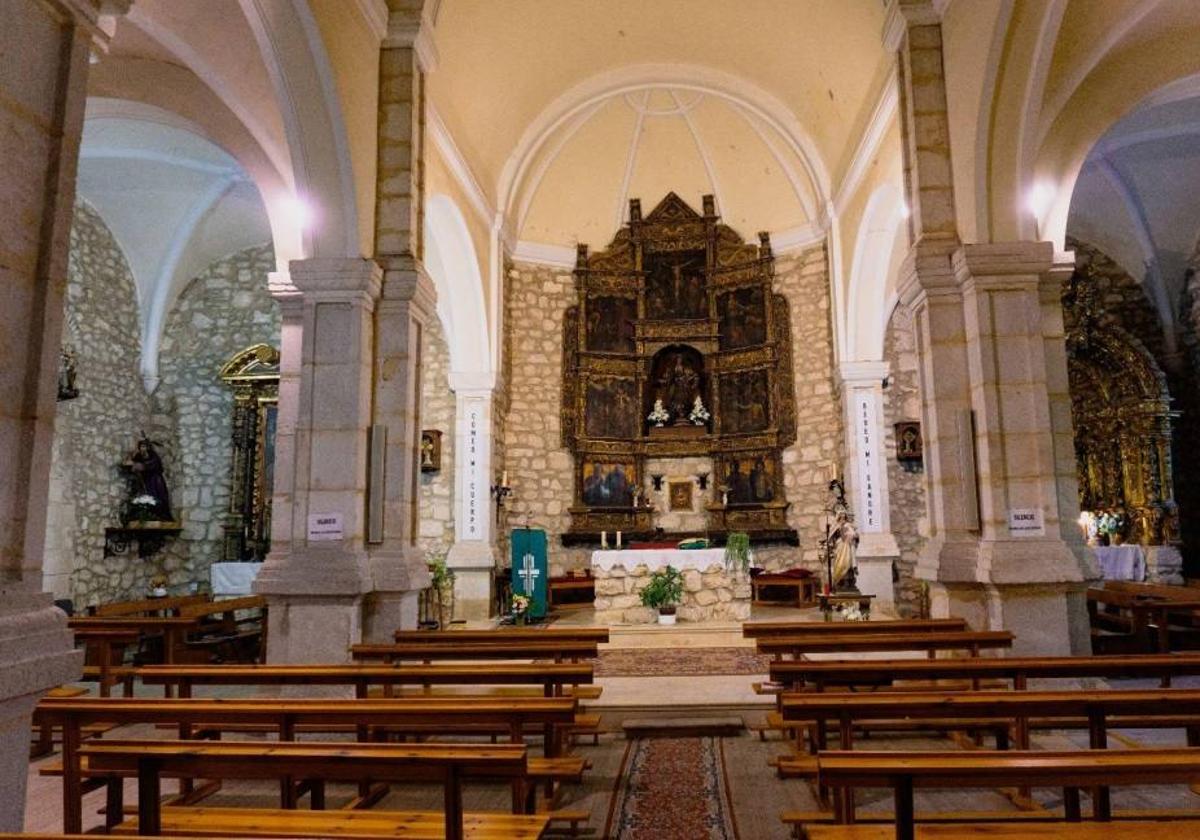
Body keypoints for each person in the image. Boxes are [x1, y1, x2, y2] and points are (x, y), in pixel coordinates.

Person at [124, 436, 172, 521]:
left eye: (144, 446)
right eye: (141, 447)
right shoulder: (138, 456)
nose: (143, 449)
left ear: (148, 447)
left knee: (157, 496)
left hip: (155, 481)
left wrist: (142, 466)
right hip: (144, 481)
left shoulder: (153, 455)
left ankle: (160, 515)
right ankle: (144, 514)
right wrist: (131, 462)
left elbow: (154, 465)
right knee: (143, 495)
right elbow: (131, 464)